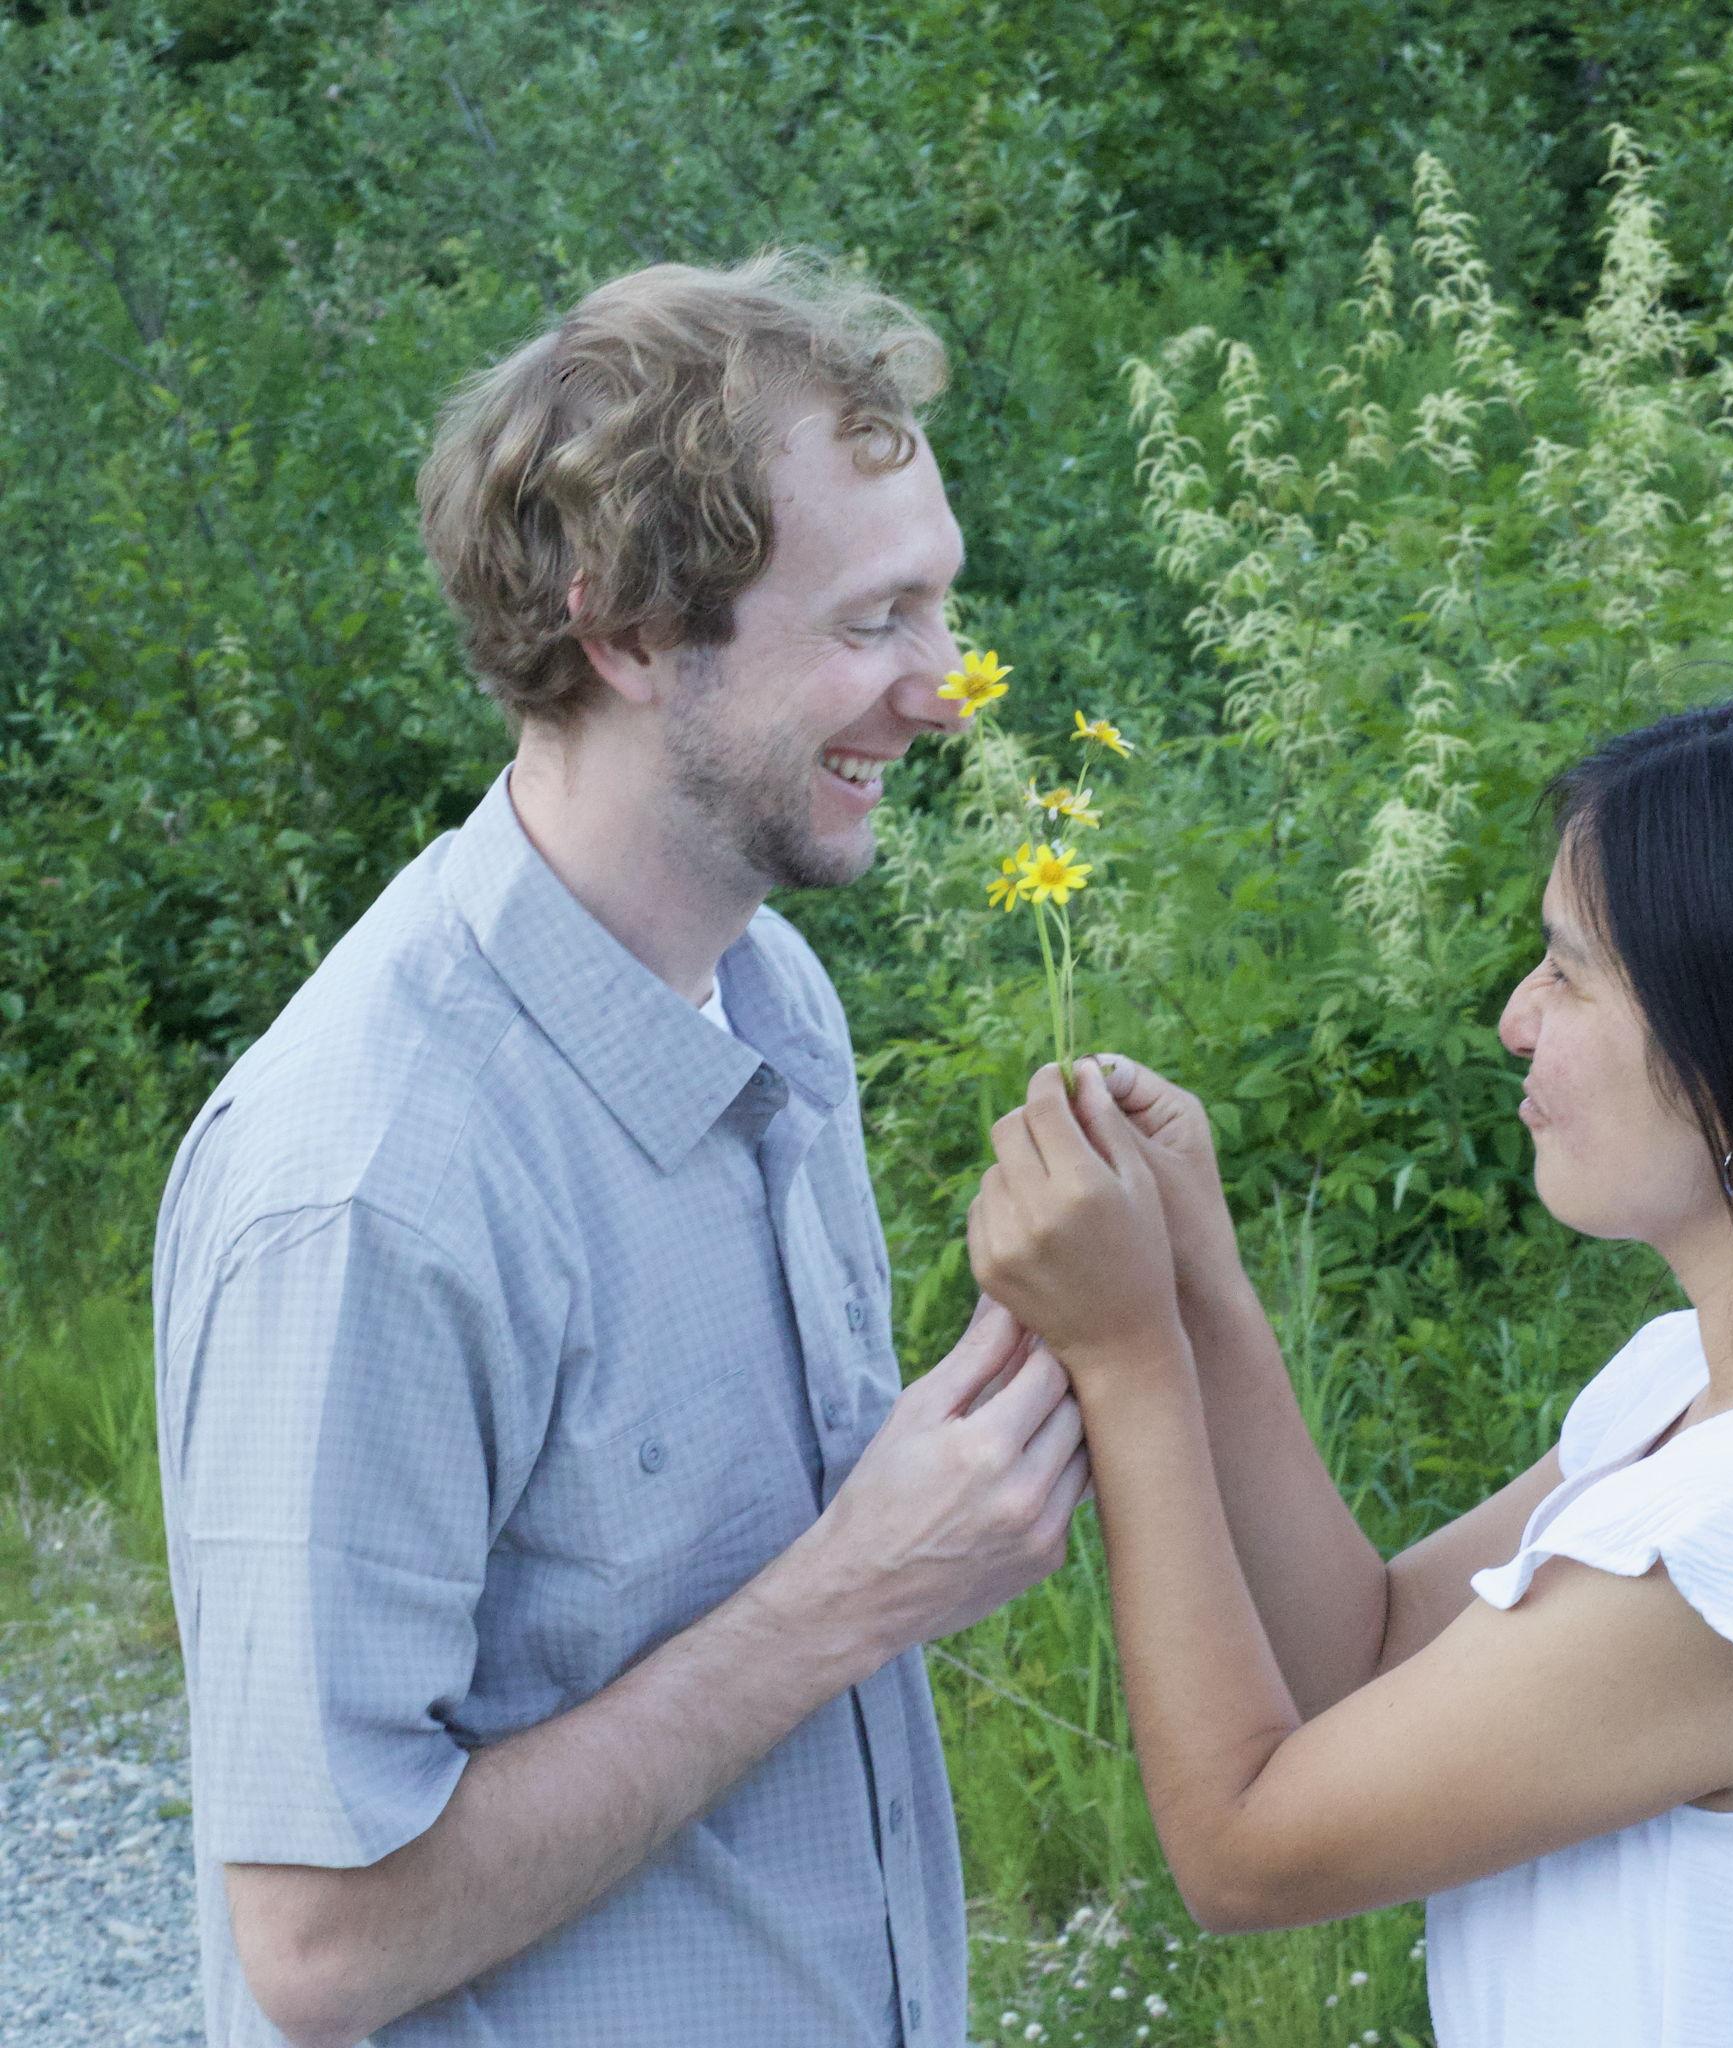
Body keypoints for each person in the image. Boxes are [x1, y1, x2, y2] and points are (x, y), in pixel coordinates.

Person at [152, 253, 1091, 2048]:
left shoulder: (773, 996)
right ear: (632, 631)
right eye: (875, 621)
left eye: (942, 607)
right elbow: (316, 1947)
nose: (948, 688)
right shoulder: (367, 1187)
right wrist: (847, 1599)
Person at [968, 690, 1733, 2047]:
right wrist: (1200, 1290)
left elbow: (1245, 1847)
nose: (1514, 1020)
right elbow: (1359, 1658)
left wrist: (1125, 1360)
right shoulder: (1702, 1394)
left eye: (1570, 970)